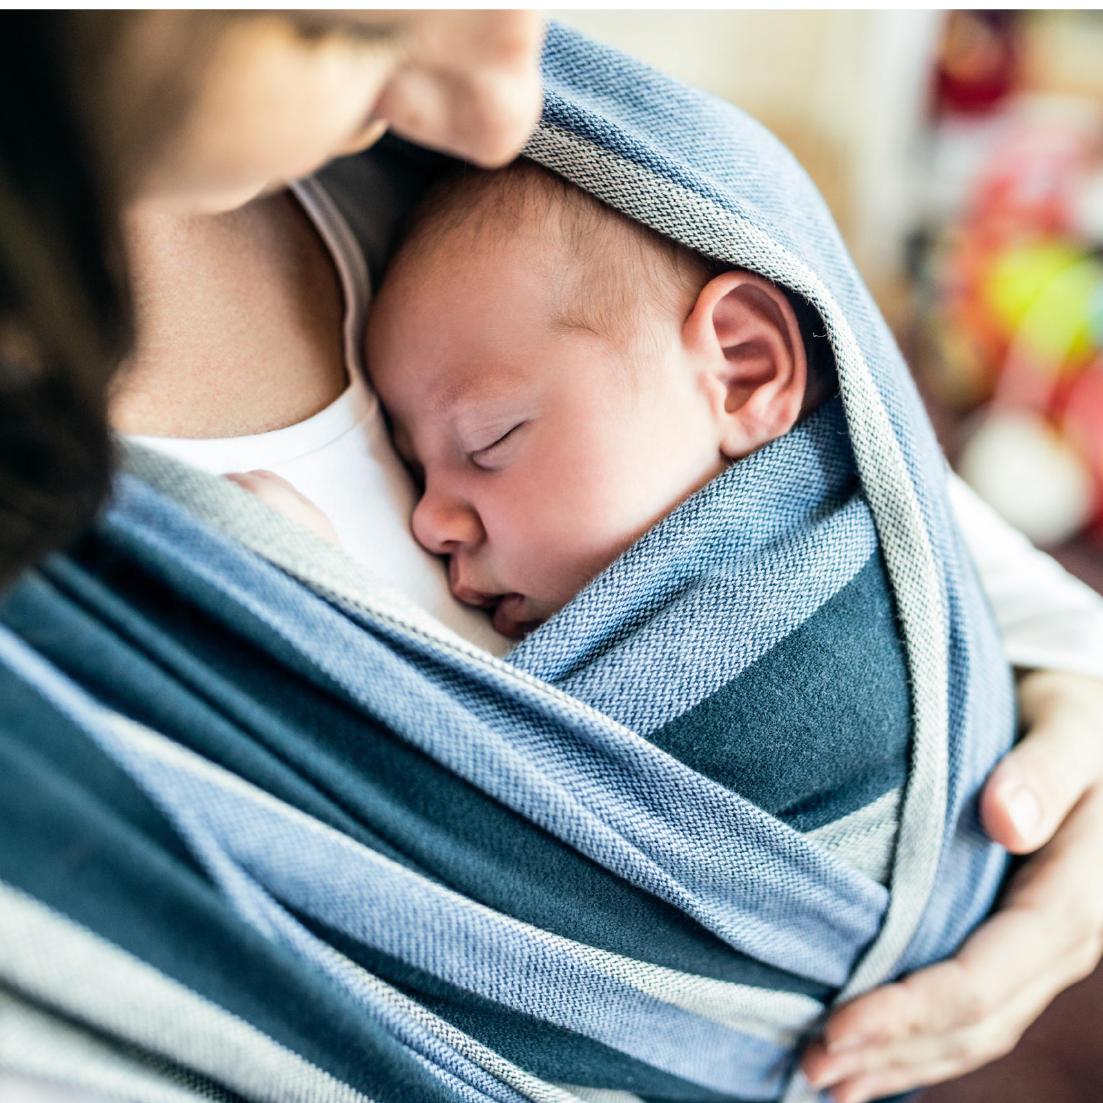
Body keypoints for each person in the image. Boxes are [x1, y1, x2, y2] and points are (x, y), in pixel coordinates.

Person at [0, 12, 1102, 1103]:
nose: (508, 100)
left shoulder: (547, 183)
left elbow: (874, 474)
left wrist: (1068, 663)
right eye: (349, 26)